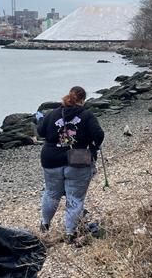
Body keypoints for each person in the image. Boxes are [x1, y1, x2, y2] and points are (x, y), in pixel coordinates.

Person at [37, 86, 104, 243]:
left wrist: (41, 120)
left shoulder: (53, 113)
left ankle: (45, 224)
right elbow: (99, 134)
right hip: (78, 159)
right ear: (83, 100)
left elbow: (40, 132)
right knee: (75, 197)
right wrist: (93, 148)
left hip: (51, 158)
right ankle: (69, 232)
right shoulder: (87, 116)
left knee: (51, 193)